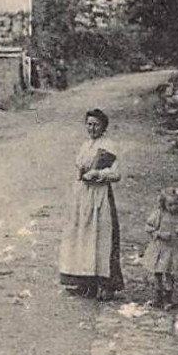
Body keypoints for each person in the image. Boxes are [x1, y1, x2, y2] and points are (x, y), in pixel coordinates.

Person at [58, 108, 123, 300]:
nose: (92, 128)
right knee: (83, 237)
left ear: (104, 126)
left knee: (101, 238)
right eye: (89, 124)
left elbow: (116, 174)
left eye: (96, 124)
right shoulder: (85, 145)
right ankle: (85, 283)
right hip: (83, 196)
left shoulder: (109, 145)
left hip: (100, 195)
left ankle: (105, 285)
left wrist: (98, 174)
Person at [144, 187, 178, 310]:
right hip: (159, 249)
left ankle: (168, 298)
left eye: (176, 204)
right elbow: (148, 227)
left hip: (173, 250)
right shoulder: (159, 215)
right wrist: (159, 234)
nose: (173, 207)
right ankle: (158, 297)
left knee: (169, 274)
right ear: (163, 204)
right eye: (170, 204)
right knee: (158, 273)